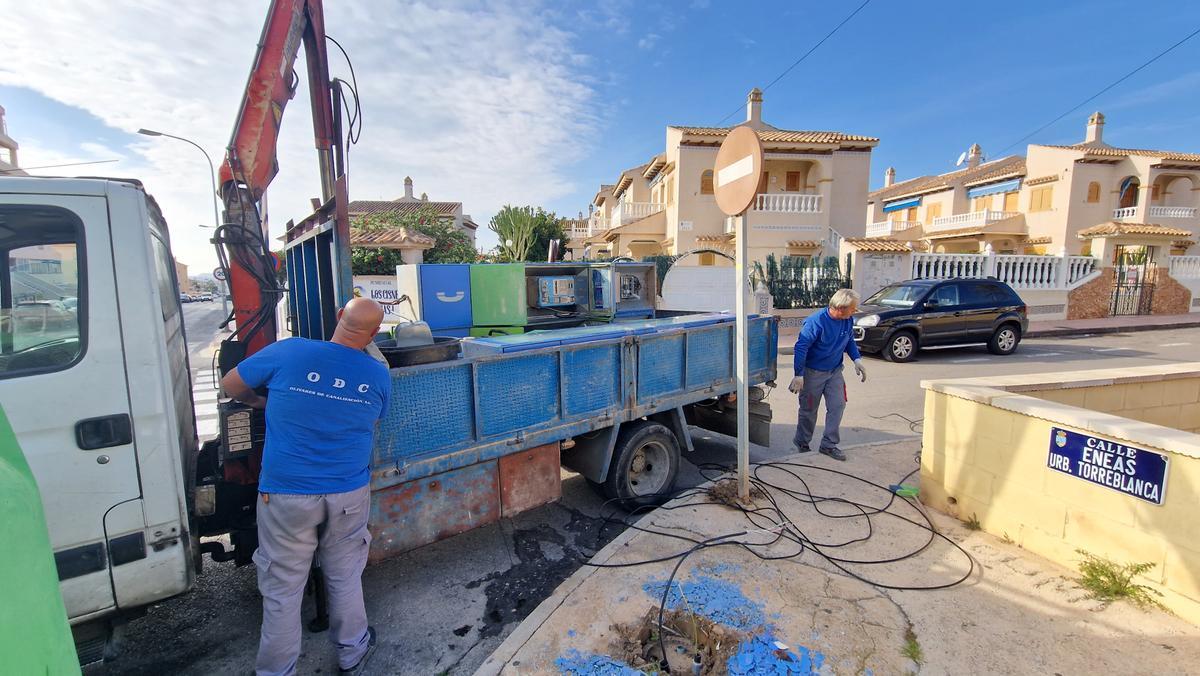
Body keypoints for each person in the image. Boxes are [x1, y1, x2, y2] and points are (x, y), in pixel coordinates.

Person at [221, 298, 391, 676]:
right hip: (348, 492)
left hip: (286, 493)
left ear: (337, 317)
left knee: (283, 588)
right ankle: (352, 652)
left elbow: (231, 384)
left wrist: (264, 402)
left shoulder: (291, 351)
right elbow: (374, 419)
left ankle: (276, 671)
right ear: (374, 333)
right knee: (345, 575)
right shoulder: (378, 374)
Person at [788, 289, 866, 461]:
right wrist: (799, 374)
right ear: (840, 308)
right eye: (852, 309)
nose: (855, 311)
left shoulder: (847, 320)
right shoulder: (816, 322)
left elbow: (849, 340)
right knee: (808, 410)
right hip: (813, 373)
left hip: (835, 371)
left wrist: (857, 359)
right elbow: (801, 347)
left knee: (838, 405)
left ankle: (828, 445)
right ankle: (802, 442)